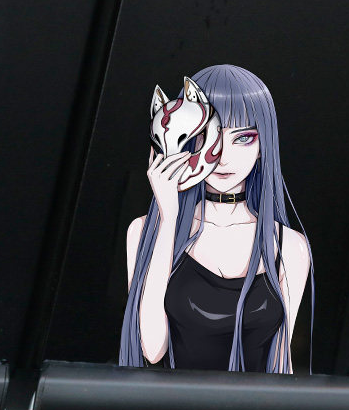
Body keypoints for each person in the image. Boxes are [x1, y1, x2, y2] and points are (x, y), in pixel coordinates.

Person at [119, 64, 312, 372]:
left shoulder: (288, 245)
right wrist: (168, 218)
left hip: (254, 403)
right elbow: (152, 348)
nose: (223, 157)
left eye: (243, 138)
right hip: (172, 402)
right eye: (208, 137)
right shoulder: (144, 231)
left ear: (263, 145)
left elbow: (280, 362)